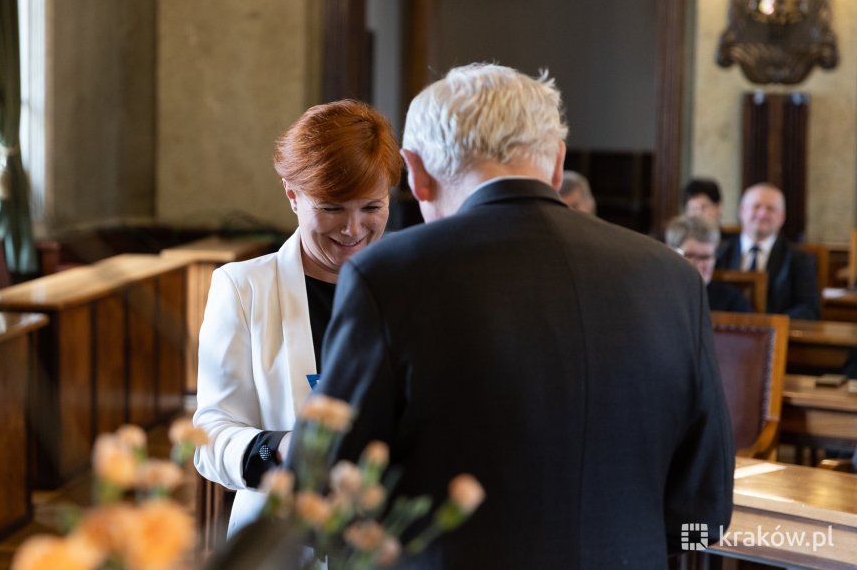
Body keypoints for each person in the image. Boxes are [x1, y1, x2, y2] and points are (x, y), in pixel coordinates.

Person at [307, 65, 734, 568]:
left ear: (415, 173)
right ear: (557, 164)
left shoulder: (388, 274)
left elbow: (322, 490)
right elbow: (705, 515)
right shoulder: (674, 278)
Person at [193, 100, 403, 536]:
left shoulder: (411, 284)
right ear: (293, 195)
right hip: (285, 536)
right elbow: (210, 436)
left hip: (386, 535)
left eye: (371, 207)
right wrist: (280, 448)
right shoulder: (244, 288)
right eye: (332, 208)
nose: (352, 229)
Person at [715, 183, 820, 320]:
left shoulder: (799, 259)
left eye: (770, 209)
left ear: (782, 217)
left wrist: (769, 325)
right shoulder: (718, 254)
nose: (762, 214)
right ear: (741, 211)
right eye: (756, 206)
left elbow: (809, 310)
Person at [666, 215, 752, 313]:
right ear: (670, 252)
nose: (698, 265)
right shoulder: (657, 295)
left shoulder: (733, 301)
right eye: (690, 256)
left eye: (706, 257)